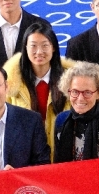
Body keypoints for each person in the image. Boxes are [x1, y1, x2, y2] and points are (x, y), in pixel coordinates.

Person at [4, 20, 74, 156]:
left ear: (53, 47)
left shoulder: (71, 80)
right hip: (26, 156)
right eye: (33, 46)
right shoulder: (11, 84)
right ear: (25, 48)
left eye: (45, 45)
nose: (39, 52)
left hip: (62, 155)